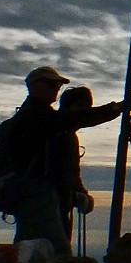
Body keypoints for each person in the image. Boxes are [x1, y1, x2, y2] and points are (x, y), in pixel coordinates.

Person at [6, 66, 127, 256]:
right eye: (52, 84)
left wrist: (78, 193)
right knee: (53, 255)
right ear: (35, 86)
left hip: (44, 202)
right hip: (41, 202)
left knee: (33, 255)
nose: (56, 88)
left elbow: (69, 172)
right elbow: (59, 172)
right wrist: (116, 108)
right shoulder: (43, 122)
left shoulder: (47, 123)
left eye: (58, 86)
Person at [57, 84, 97, 250]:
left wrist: (81, 194)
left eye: (87, 108)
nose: (84, 112)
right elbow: (63, 173)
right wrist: (78, 195)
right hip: (48, 207)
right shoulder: (59, 133)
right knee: (56, 253)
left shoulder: (68, 135)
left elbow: (72, 172)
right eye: (80, 106)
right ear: (67, 107)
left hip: (56, 206)